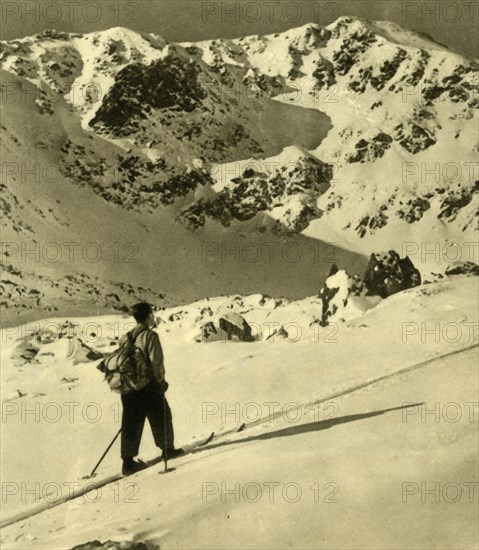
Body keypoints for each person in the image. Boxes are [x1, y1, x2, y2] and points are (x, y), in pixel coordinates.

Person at [120, 302, 183, 475]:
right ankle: (168, 450)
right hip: (148, 386)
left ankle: (127, 463)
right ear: (148, 316)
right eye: (152, 313)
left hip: (128, 387)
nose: (153, 316)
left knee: (131, 422)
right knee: (161, 415)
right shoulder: (150, 336)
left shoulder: (125, 337)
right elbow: (156, 362)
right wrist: (161, 381)